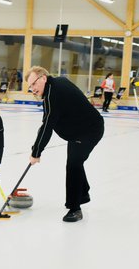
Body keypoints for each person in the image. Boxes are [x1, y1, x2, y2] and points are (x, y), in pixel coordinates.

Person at [26, 66, 104, 223]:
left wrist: (36, 152)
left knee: (73, 164)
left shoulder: (51, 95)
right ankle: (83, 193)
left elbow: (47, 125)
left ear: (43, 78)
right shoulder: (58, 82)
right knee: (76, 162)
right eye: (30, 87)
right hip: (80, 130)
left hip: (88, 130)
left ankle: (74, 208)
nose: (32, 90)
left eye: (33, 84)